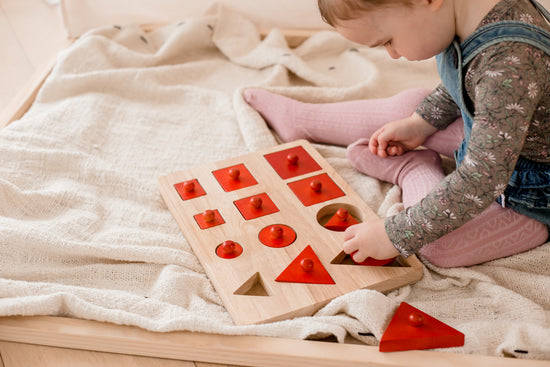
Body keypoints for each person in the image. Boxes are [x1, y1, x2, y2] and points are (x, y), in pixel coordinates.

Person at [244, 0, 550, 267]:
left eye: (388, 41)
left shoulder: (510, 60)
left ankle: (413, 169)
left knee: (435, 245)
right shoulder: (473, 15)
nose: (391, 54)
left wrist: (396, 232)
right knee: (411, 105)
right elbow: (469, 82)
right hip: (502, 141)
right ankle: (303, 119)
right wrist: (422, 122)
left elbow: (482, 177)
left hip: (530, 199)